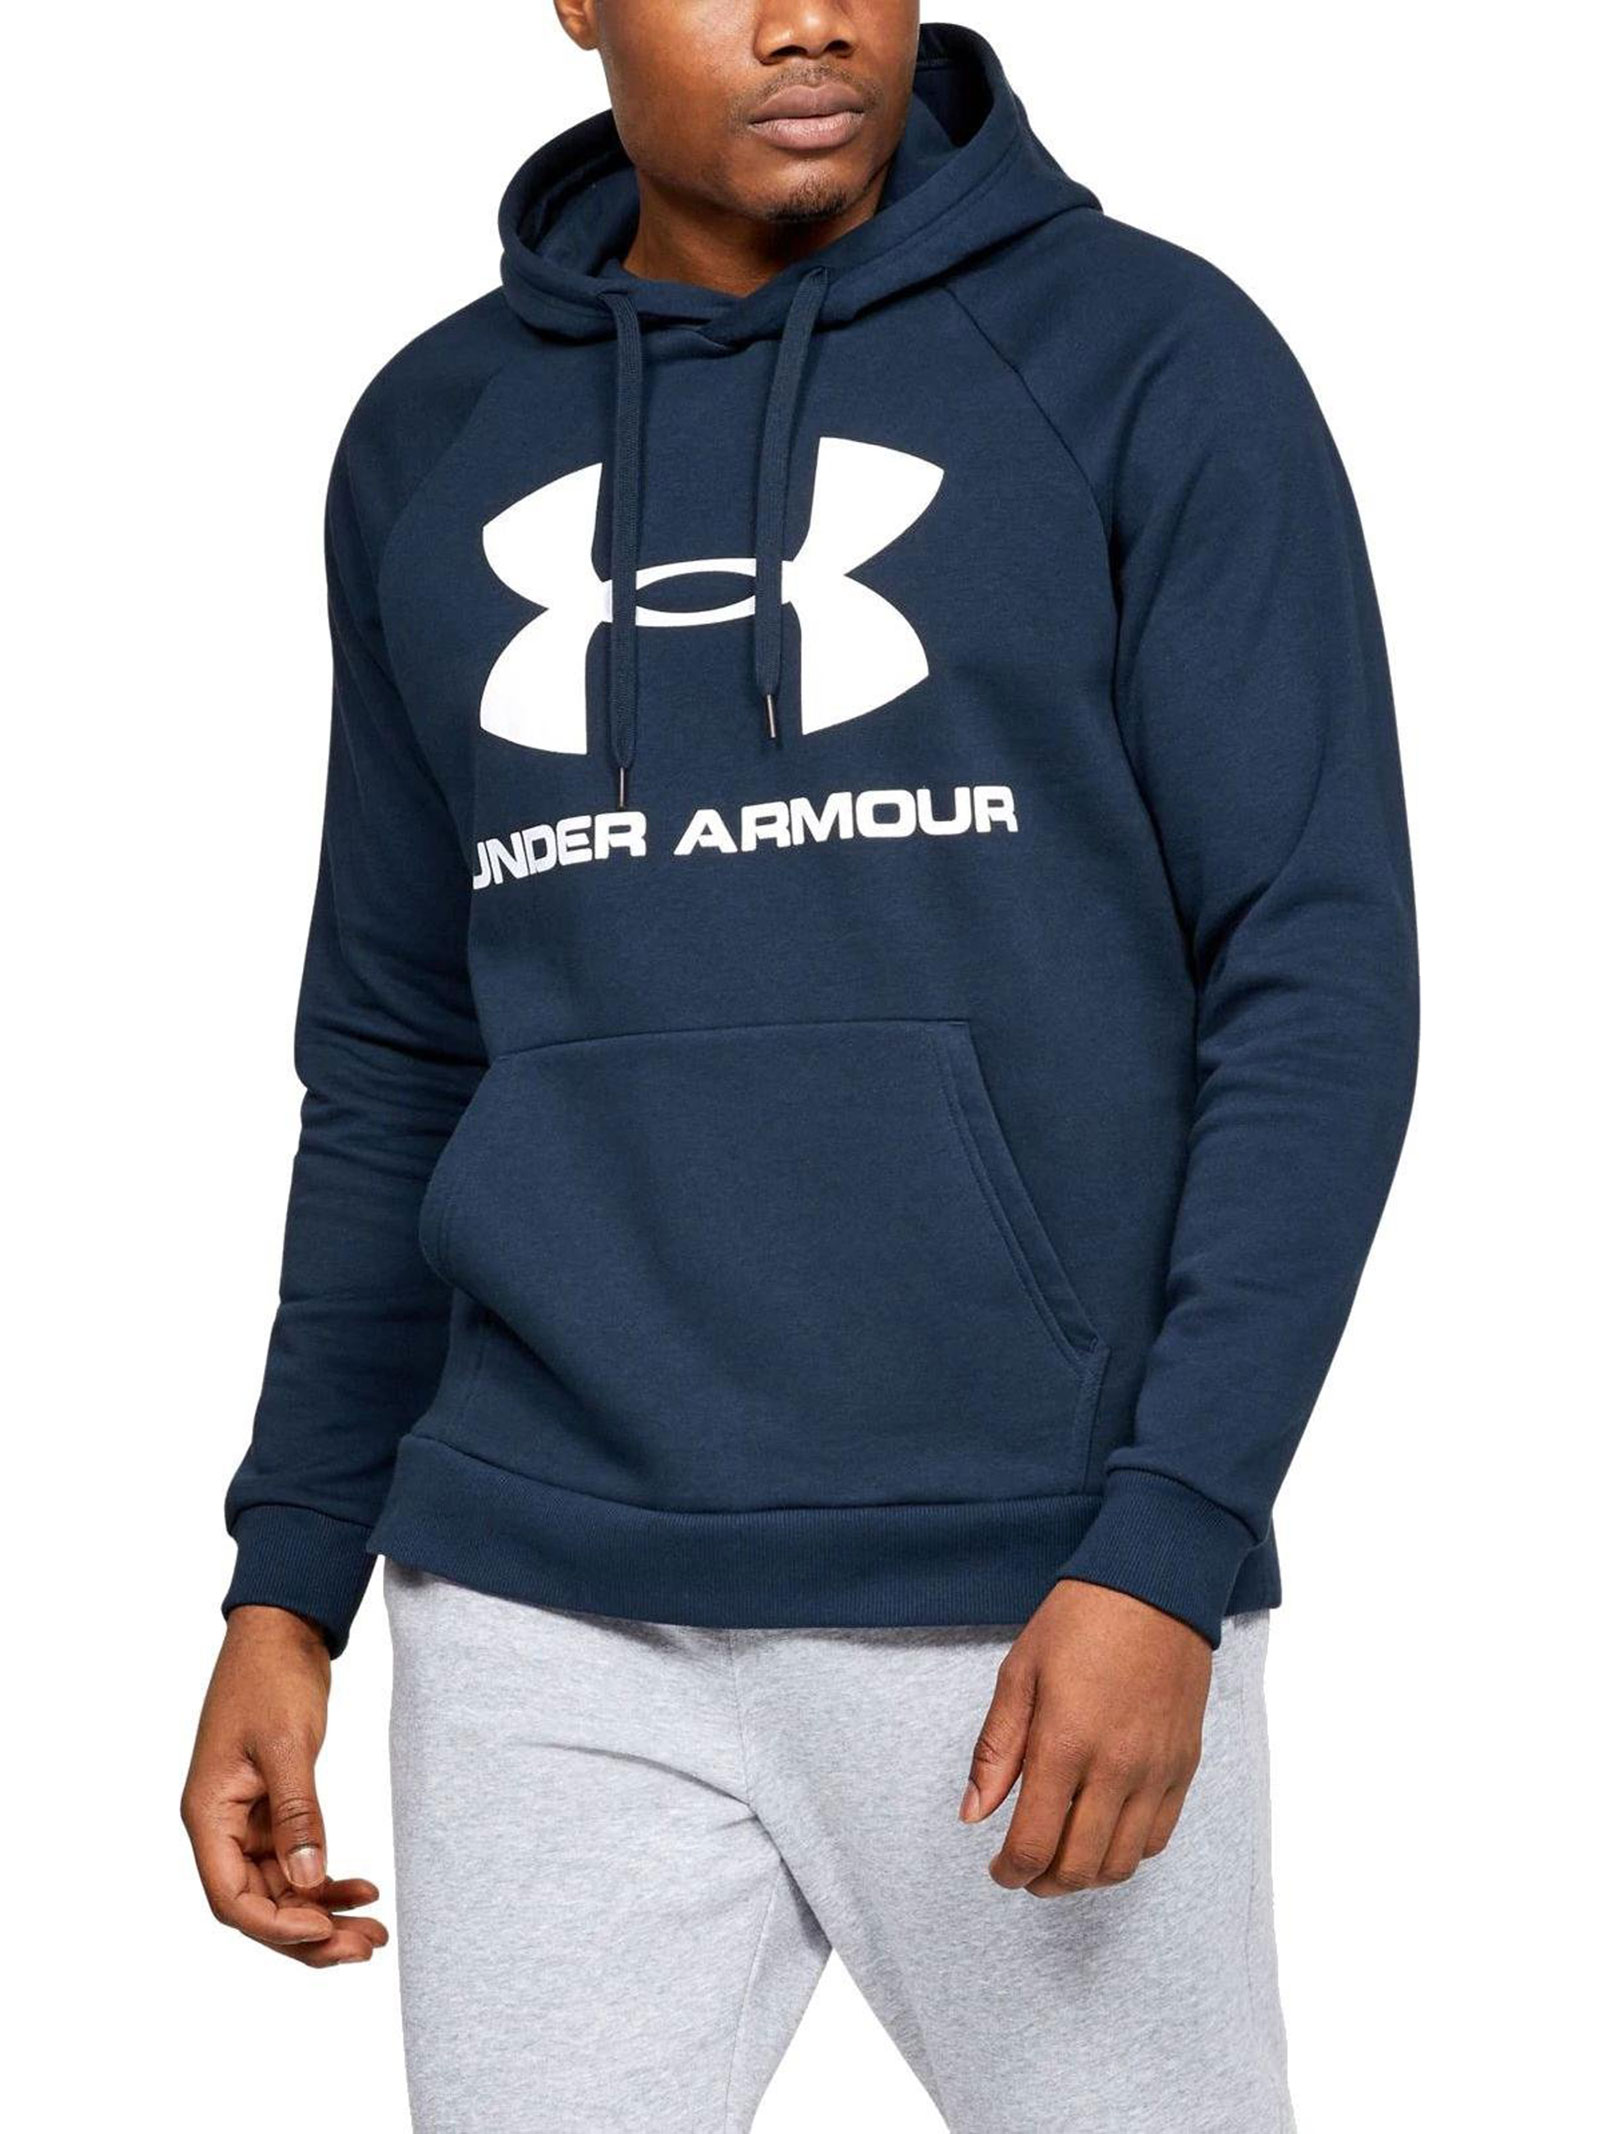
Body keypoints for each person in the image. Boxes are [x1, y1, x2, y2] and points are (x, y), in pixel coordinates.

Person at [183, 6, 1417, 2128]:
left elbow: (1314, 984)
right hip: (541, 1595)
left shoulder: (1148, 359)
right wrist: (286, 1578)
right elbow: (393, 1046)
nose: (807, 17)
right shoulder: (434, 434)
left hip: (1030, 1584)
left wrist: (1173, 1535)